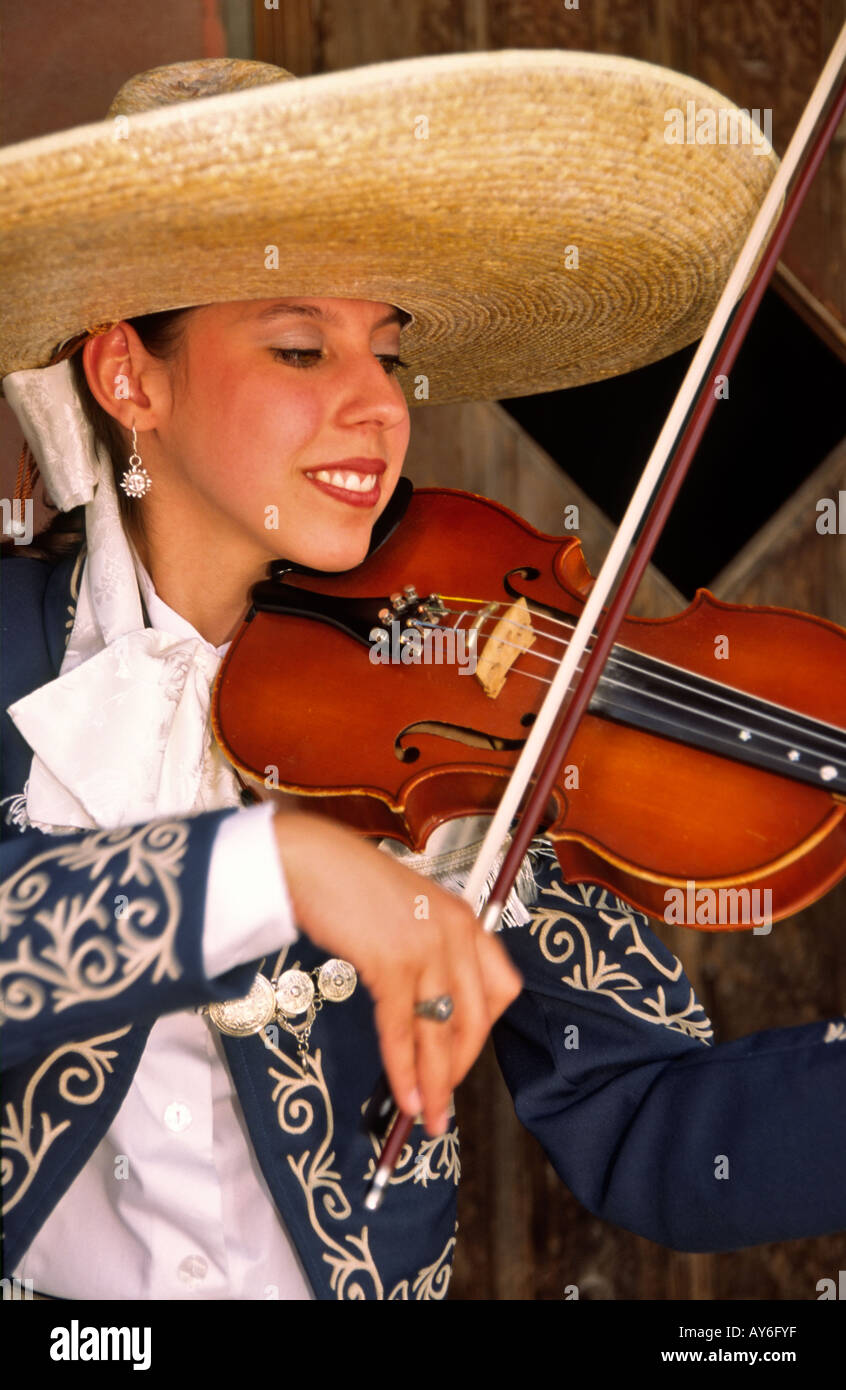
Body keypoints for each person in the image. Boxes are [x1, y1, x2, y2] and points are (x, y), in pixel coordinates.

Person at [1, 54, 844, 1302]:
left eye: (386, 355)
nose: (376, 407)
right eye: (300, 349)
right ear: (132, 377)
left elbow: (647, 1120)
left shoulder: (463, 697)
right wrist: (274, 865)